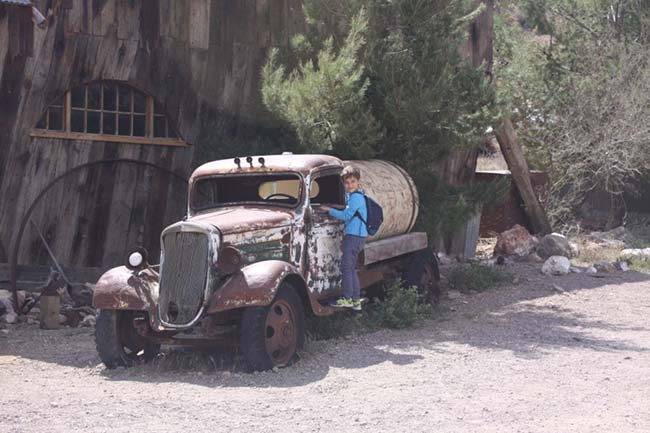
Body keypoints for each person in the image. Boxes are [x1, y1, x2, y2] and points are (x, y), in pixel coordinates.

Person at [319, 165, 368, 311]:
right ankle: (355, 300)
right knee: (351, 268)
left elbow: (346, 216)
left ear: (358, 182)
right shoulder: (355, 196)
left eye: (353, 182)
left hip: (354, 236)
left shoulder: (356, 198)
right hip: (356, 236)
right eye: (347, 183)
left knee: (347, 268)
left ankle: (347, 298)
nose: (350, 185)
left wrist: (329, 210)